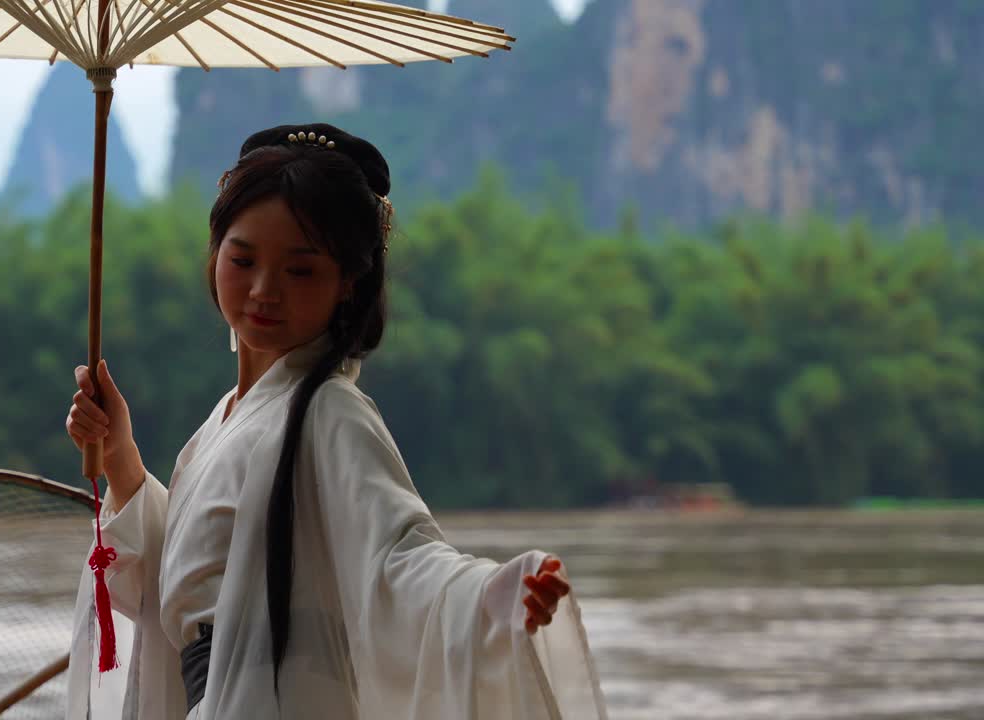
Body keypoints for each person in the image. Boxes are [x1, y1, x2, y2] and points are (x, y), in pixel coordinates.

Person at [63, 123, 607, 720]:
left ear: (348, 283)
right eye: (242, 259)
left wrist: (488, 595)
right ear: (215, 252)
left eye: (300, 271)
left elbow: (399, 556)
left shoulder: (328, 410)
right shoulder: (220, 425)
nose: (264, 291)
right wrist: (120, 456)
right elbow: (184, 582)